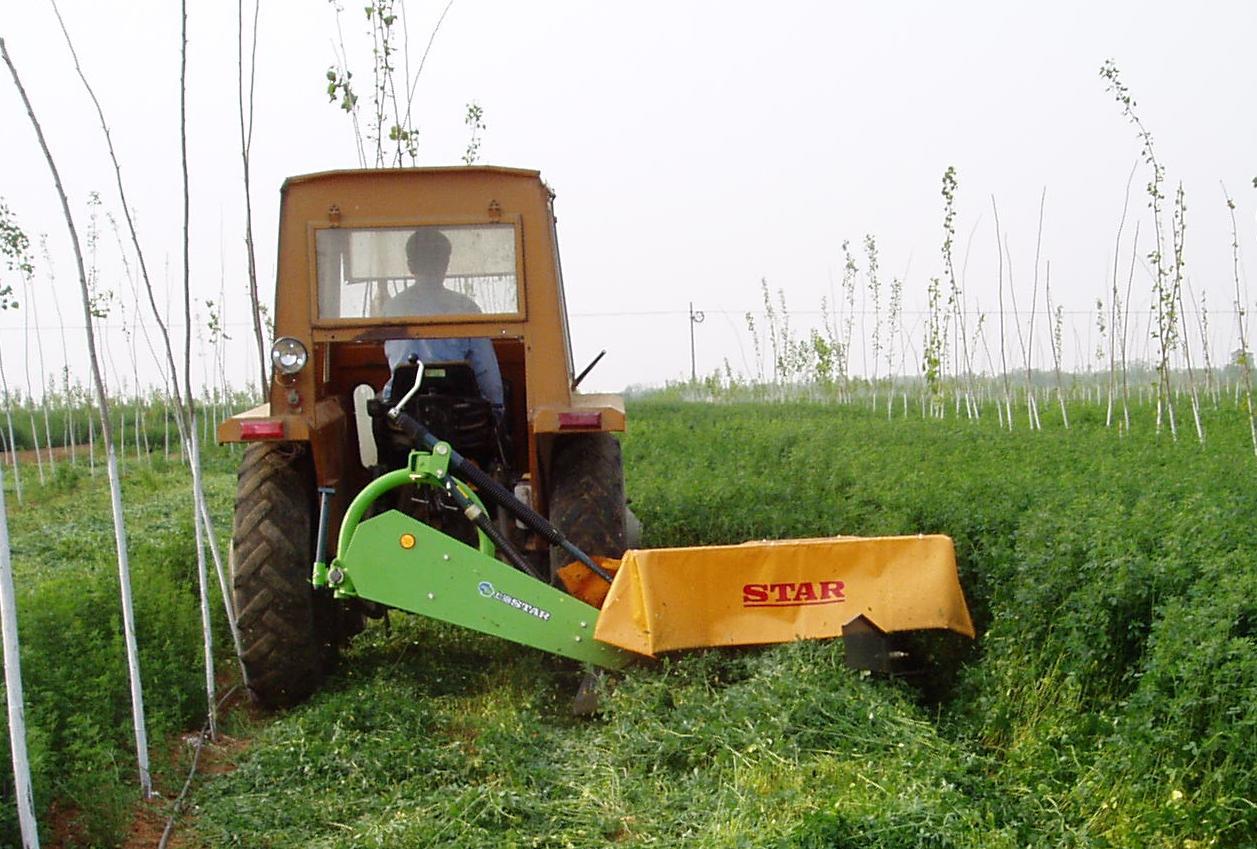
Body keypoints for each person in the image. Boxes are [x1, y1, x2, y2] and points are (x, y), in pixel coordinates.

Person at [383, 229, 505, 420]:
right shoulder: (466, 308)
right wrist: (497, 413)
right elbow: (487, 376)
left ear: (410, 265)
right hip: (463, 419)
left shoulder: (391, 308)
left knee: (379, 406)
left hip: (405, 416)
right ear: (445, 263)